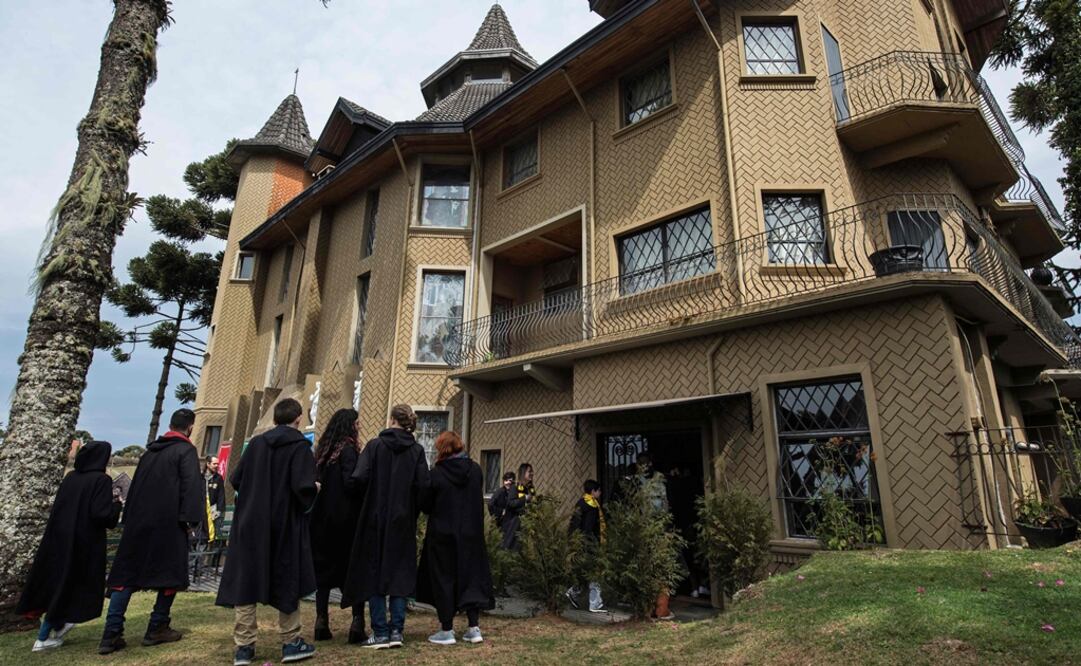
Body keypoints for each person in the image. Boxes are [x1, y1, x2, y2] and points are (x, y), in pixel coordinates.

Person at [216, 398, 319, 666]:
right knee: (288, 577)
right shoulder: (299, 447)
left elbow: (236, 479)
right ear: (298, 418)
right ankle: (290, 641)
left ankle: (244, 647)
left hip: (251, 522)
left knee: (246, 582)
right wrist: (315, 488)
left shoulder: (257, 445)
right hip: (284, 522)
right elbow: (303, 487)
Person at [101, 409, 203, 655]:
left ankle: (111, 633)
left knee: (125, 576)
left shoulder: (149, 453)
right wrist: (190, 520)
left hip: (139, 522)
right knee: (169, 575)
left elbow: (134, 488)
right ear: (190, 427)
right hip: (169, 524)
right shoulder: (185, 451)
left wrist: (129, 518)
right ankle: (157, 625)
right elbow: (191, 486)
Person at [17, 440, 123, 652]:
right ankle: (44, 635)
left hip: (59, 540)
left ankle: (53, 627)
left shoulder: (71, 478)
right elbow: (101, 515)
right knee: (69, 585)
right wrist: (116, 505)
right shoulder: (101, 480)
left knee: (59, 583)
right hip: (84, 543)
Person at [341, 404, 431, 650]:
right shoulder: (417, 451)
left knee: (375, 573)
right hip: (403, 520)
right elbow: (424, 485)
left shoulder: (375, 446)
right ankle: (397, 632)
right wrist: (415, 508)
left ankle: (380, 631)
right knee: (400, 575)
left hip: (374, 518)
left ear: (391, 420)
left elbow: (358, 479)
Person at [417, 431, 494, 645]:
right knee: (471, 578)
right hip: (471, 534)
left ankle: (447, 629)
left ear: (441, 449)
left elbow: (425, 505)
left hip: (442, 535)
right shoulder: (476, 470)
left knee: (444, 579)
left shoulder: (437, 474)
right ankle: (474, 627)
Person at [309, 408, 366, 644]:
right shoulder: (348, 450)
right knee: (352, 572)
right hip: (346, 521)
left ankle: (321, 620)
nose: (359, 426)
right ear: (350, 425)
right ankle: (357, 622)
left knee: (323, 574)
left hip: (322, 521)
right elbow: (351, 483)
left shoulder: (324, 452)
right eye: (357, 423)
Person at [566, 479, 606, 613]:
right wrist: (593, 544)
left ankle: (574, 591)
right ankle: (595, 603)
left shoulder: (581, 502)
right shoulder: (592, 506)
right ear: (593, 491)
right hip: (588, 544)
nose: (600, 493)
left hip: (578, 542)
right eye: (599, 490)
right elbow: (588, 528)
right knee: (594, 572)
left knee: (583, 572)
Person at [192, 455, 227, 578]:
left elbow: (221, 497)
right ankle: (193, 565)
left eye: (218, 464)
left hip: (210, 516)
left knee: (206, 540)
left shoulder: (218, 479)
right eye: (214, 464)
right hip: (197, 514)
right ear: (207, 464)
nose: (217, 466)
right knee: (195, 540)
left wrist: (218, 512)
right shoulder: (199, 478)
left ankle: (199, 567)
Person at [499, 463, 535, 550]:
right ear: (523, 473)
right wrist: (524, 498)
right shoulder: (514, 488)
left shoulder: (529, 489)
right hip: (512, 527)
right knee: (511, 551)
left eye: (532, 471)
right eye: (529, 471)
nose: (532, 473)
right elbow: (511, 503)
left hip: (523, 526)